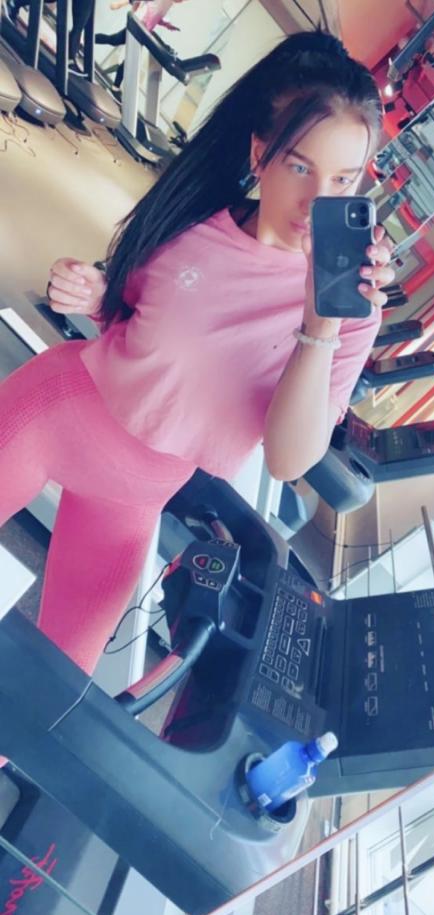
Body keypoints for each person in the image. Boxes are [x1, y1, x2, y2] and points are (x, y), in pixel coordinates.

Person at [0, 30, 394, 682]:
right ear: (261, 154)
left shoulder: (351, 315)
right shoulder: (195, 218)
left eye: (343, 178)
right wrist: (95, 292)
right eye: (300, 167)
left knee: (53, 689)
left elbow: (287, 458)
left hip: (132, 500)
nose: (318, 201)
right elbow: (128, 315)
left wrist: (318, 323)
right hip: (54, 413)